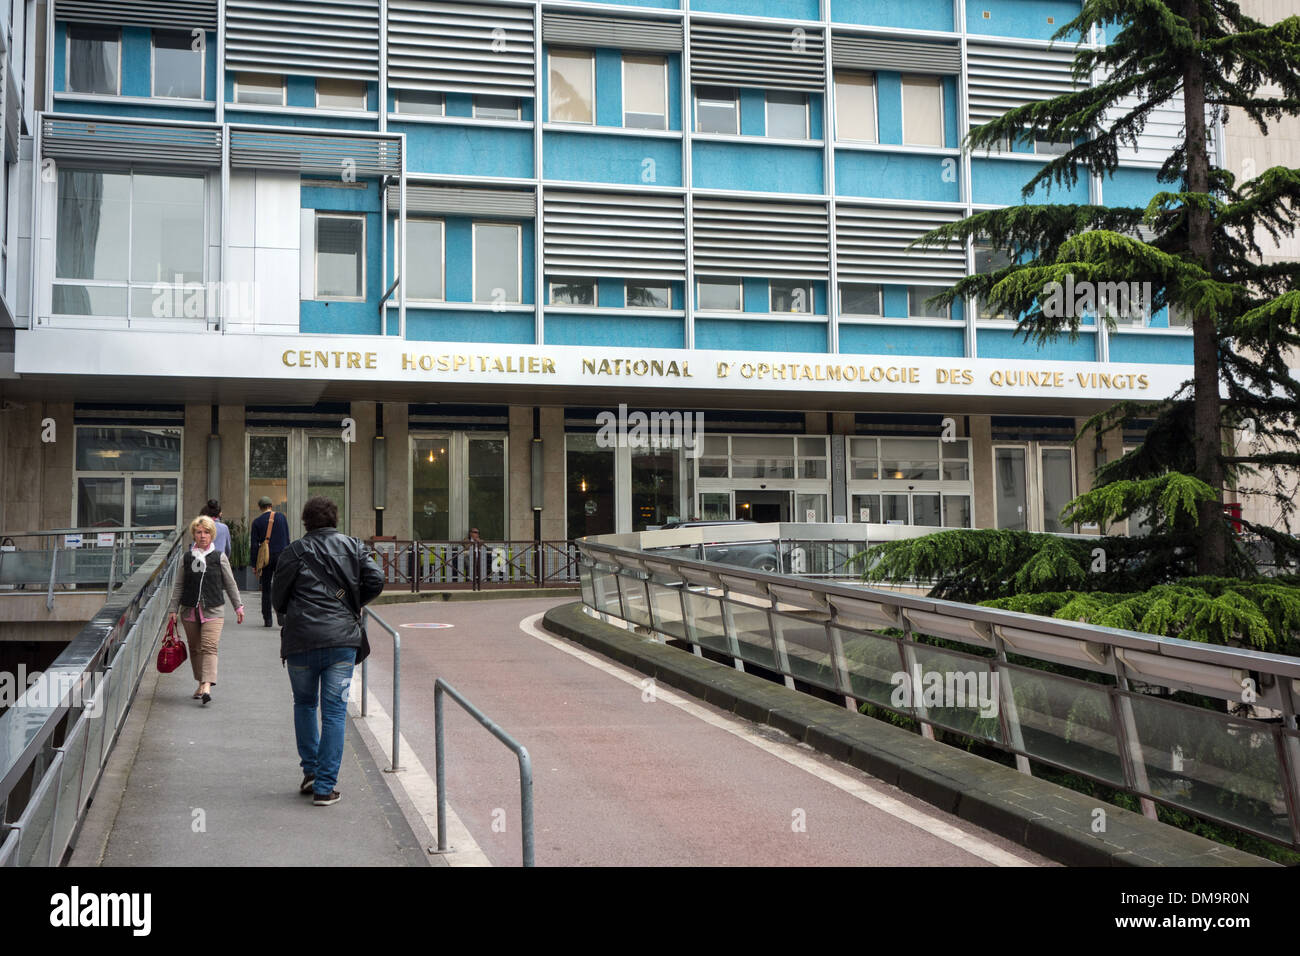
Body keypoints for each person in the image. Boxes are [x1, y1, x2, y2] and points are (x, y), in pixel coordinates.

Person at [271, 496, 382, 806]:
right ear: (335, 519)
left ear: (305, 521)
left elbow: (277, 597)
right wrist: (354, 602)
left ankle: (310, 772)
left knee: (304, 704)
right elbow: (377, 579)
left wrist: (294, 611)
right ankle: (325, 786)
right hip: (341, 643)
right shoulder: (353, 546)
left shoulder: (294, 551)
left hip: (301, 641)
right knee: (334, 712)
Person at [168, 515, 244, 705]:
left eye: (206, 532)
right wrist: (172, 610)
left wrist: (238, 606)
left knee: (209, 647)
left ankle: (207, 685)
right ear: (194, 534)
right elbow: (179, 585)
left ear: (212, 535)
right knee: (195, 649)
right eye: (199, 532)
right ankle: (201, 682)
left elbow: (230, 584)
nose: (202, 536)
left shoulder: (219, 557)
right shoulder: (187, 558)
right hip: (189, 611)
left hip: (213, 610)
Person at [249, 496, 290, 627]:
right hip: (281, 557)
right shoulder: (282, 518)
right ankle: (281, 612)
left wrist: (255, 564)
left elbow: (254, 545)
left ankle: (267, 619)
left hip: (266, 559)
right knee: (281, 586)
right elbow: (287, 539)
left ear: (260, 507)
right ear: (271, 505)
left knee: (266, 588)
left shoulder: (256, 522)